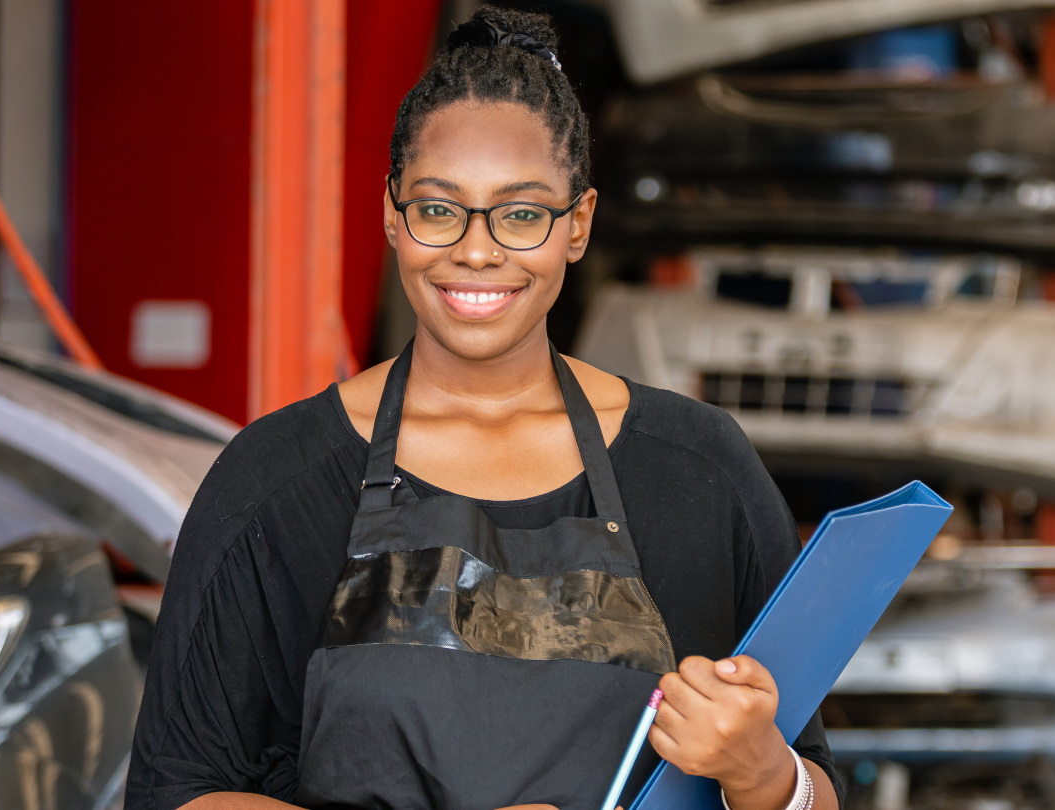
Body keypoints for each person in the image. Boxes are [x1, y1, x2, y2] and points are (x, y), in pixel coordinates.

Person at [124, 7, 843, 810]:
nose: (476, 249)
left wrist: (763, 774)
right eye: (439, 209)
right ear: (392, 215)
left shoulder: (699, 470)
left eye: (522, 213)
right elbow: (174, 791)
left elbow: (813, 782)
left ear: (578, 224)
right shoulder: (277, 480)